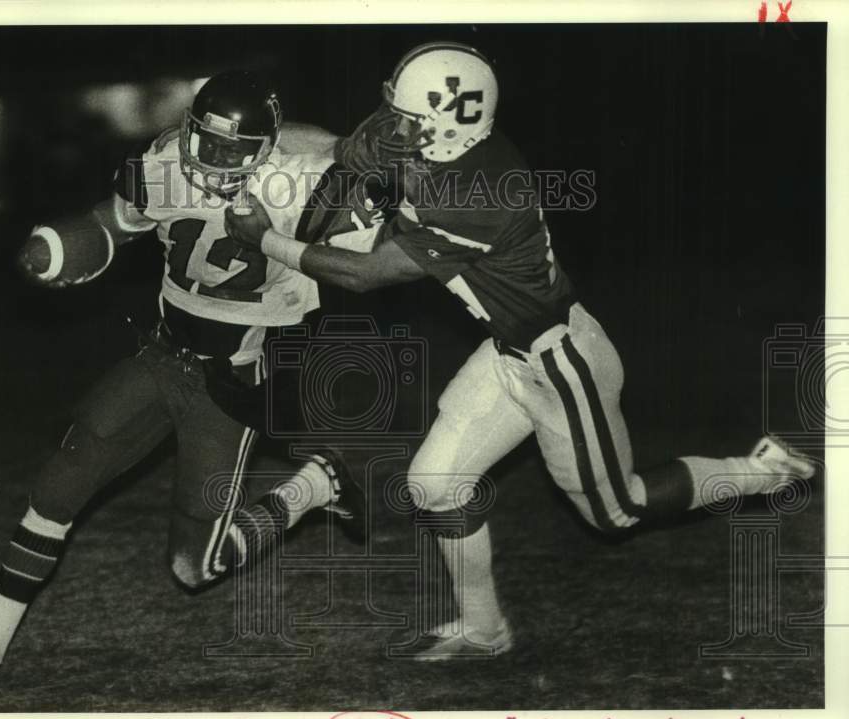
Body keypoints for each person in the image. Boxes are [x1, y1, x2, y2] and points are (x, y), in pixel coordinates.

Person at [223, 42, 818, 660]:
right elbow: (357, 154)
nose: (391, 125)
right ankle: (485, 632)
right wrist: (301, 150)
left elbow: (364, 275)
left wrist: (266, 238)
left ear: (440, 126)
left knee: (618, 511)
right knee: (435, 486)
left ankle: (762, 470)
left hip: (563, 365)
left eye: (405, 118)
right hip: (511, 352)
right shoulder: (448, 150)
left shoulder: (473, 192)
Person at [0, 71, 380, 675]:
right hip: (162, 353)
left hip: (232, 381)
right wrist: (76, 244)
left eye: (233, 150)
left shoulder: (311, 181)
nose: (212, 161)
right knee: (60, 481)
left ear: (268, 148)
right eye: (205, 142)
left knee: (195, 567)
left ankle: (315, 485)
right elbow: (113, 224)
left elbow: (361, 266)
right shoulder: (163, 159)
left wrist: (347, 178)